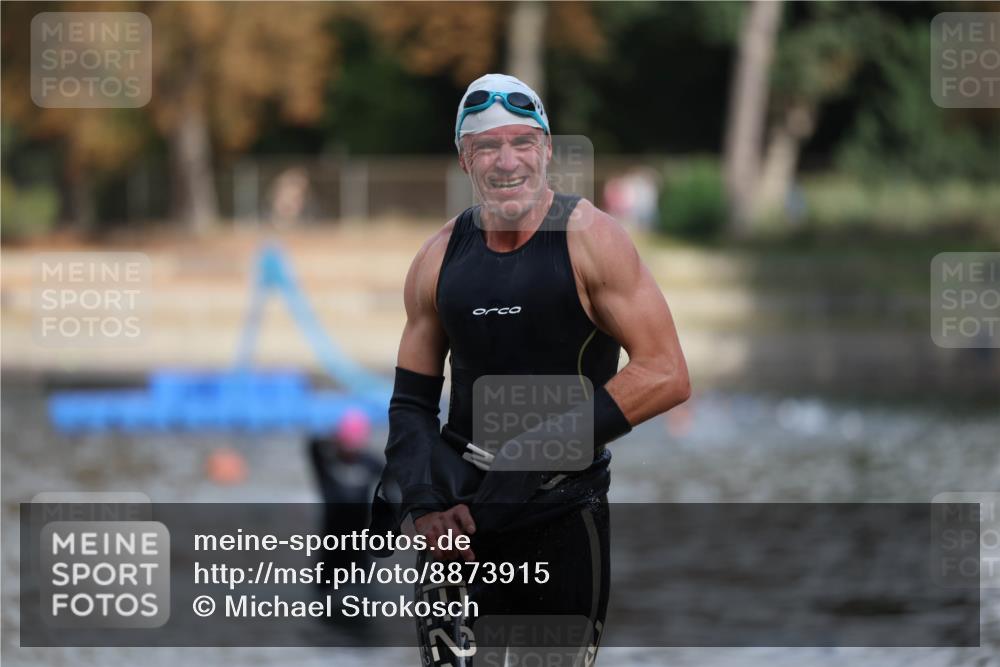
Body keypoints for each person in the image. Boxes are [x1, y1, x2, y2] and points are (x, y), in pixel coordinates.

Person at [371, 73, 690, 666]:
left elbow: (666, 371)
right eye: (487, 146)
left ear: (546, 150)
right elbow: (411, 404)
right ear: (465, 159)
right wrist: (422, 504)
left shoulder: (591, 239)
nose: (506, 161)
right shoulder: (438, 258)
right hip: (460, 525)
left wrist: (531, 453)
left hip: (561, 514)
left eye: (522, 142)